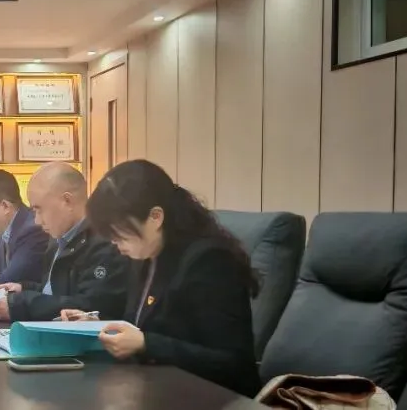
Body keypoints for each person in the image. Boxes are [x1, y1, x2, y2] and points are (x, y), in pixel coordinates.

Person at [61, 159, 260, 397]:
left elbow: (233, 364)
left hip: (214, 398)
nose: (116, 245)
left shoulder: (209, 261)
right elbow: (141, 324)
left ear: (155, 217)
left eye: (120, 234)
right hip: (156, 388)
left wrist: (146, 344)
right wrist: (97, 324)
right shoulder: (148, 255)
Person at [0, 162, 128, 322]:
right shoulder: (59, 238)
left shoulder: (104, 241)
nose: (37, 221)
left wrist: (23, 305)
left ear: (67, 201)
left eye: (39, 209)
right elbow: (56, 292)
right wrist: (23, 288)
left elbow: (90, 306)